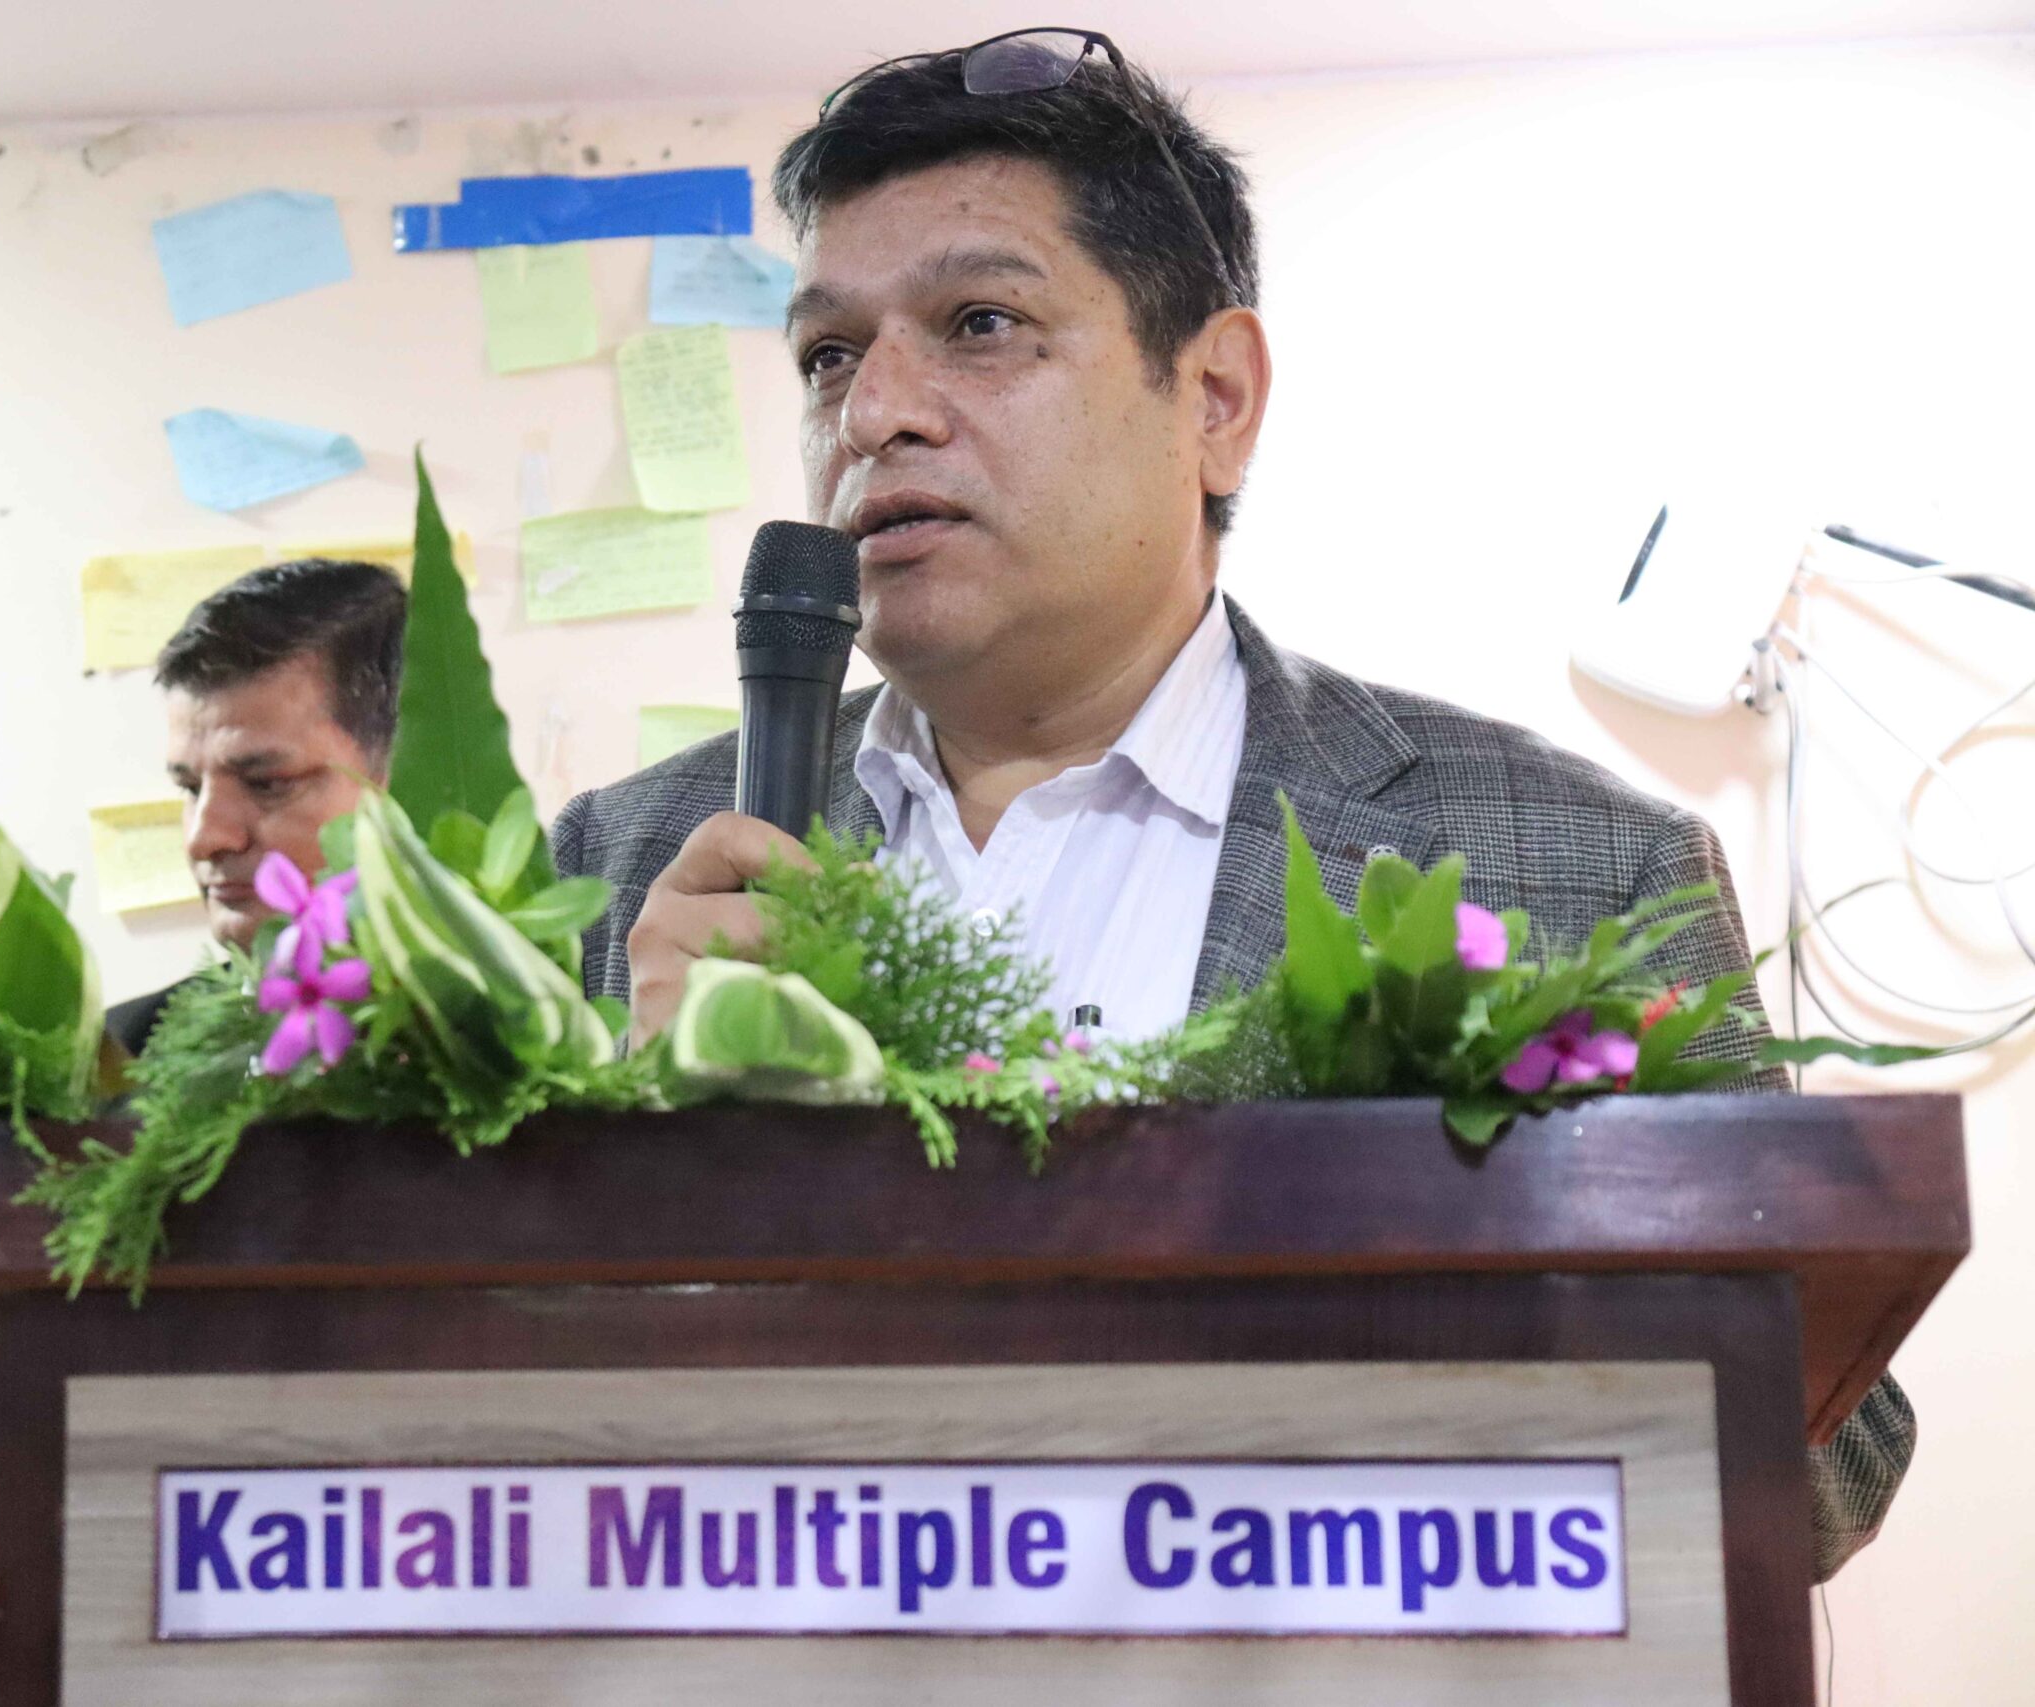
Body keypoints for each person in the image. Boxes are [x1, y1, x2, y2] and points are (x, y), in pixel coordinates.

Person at [547, 29, 1911, 1581]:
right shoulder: (622, 875)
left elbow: (1823, 1479)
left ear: (1215, 396)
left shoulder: (1571, 863)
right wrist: (633, 1170)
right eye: (829, 356)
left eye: (981, 324)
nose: (874, 414)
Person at [0, 558, 405, 1707]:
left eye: (264, 781)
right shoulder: (104, 1072)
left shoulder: (560, 1056)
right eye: (187, 786)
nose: (206, 835)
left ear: (404, 782)